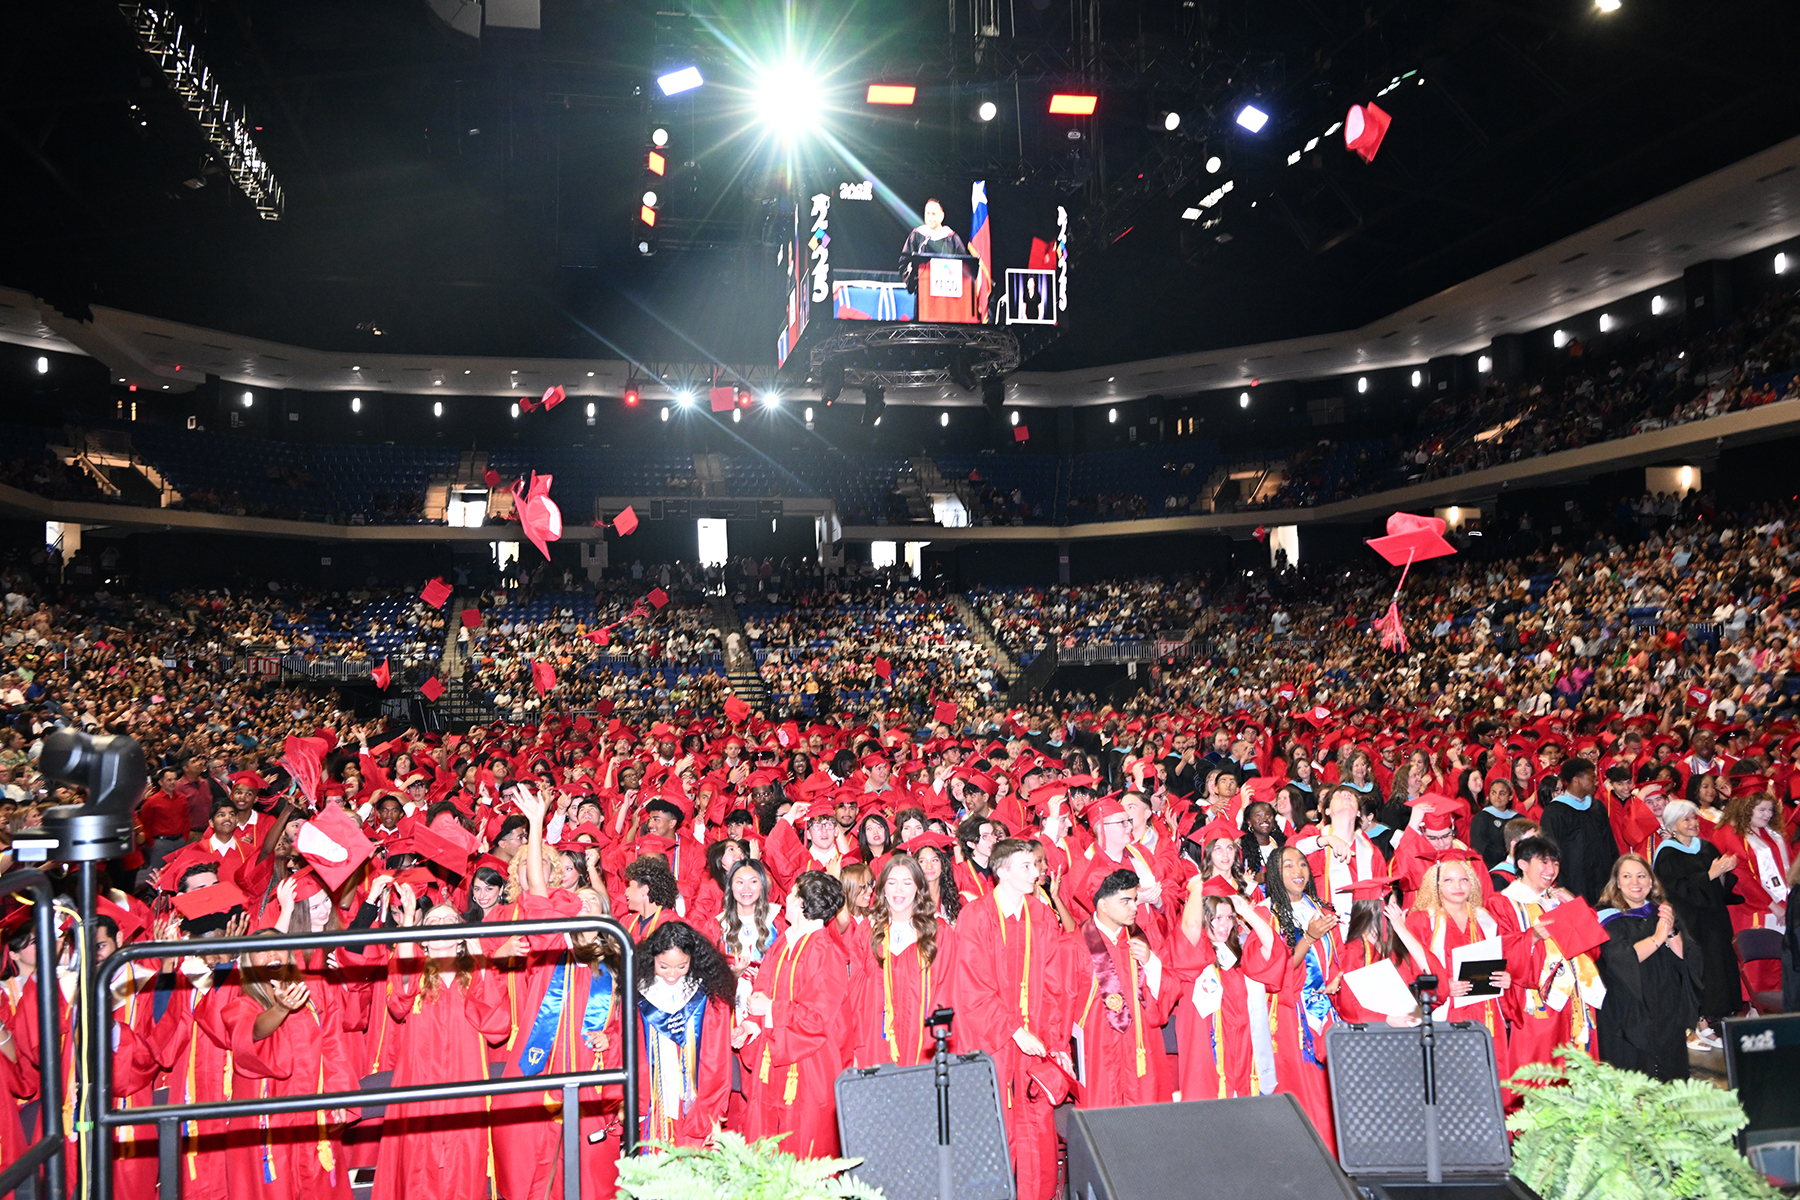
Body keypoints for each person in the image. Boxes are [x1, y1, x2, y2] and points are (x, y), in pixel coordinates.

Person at [949, 838, 1069, 1200]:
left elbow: (1055, 983)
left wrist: (1056, 1041)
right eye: (1027, 866)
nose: (1037, 872)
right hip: (992, 1040)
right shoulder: (977, 915)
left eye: (1036, 865)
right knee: (992, 1127)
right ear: (1001, 871)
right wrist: (1014, 1029)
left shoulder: (1042, 913)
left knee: (1035, 1130)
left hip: (1034, 1040)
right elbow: (972, 985)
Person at [372, 889, 511, 1200]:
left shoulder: (476, 972)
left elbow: (497, 1028)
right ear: (423, 938)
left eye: (452, 919)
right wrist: (409, 920)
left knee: (464, 1161)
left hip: (466, 1083)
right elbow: (398, 1004)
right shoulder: (415, 973)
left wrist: (480, 958)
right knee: (418, 1162)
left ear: (461, 935)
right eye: (434, 921)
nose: (444, 923)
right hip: (419, 1081)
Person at [733, 870, 852, 1159]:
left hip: (809, 1066)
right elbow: (761, 996)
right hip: (771, 1061)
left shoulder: (827, 951)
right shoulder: (783, 944)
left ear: (800, 903)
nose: (786, 896)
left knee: (805, 1148)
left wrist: (771, 1009)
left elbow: (817, 1018)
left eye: (793, 892)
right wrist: (750, 1028)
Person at [1246, 846, 1341, 1153]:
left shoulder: (1321, 910)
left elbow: (1337, 958)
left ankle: (1337, 1155)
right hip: (1289, 1016)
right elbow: (1272, 972)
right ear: (1275, 873)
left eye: (1302, 864)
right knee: (1301, 1085)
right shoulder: (1265, 913)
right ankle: (1308, 1154)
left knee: (1330, 1088)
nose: (1298, 870)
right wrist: (1309, 938)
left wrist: (1337, 978)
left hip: (1327, 1014)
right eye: (1288, 866)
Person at [1067, 869, 1177, 1108]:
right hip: (1100, 1054)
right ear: (1103, 906)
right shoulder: (1073, 946)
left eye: (1134, 900)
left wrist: (1151, 963)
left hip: (1141, 1051)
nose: (1134, 907)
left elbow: (1168, 991)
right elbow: (1058, 1006)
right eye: (1125, 901)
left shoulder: (1140, 940)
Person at [1169, 877, 1278, 1100]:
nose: (1224, 925)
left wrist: (1246, 911)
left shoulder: (1243, 953)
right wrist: (1196, 887)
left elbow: (1274, 949)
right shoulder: (1195, 954)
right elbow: (1189, 925)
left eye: (1229, 918)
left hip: (1243, 1051)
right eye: (1216, 918)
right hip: (1207, 1053)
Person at [1595, 853, 1701, 1080]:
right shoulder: (1606, 918)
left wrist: (1671, 930)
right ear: (1617, 883)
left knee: (1671, 1072)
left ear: (1651, 882)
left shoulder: (1662, 911)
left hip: (1666, 1004)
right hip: (1628, 1008)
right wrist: (1658, 936)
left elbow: (1685, 957)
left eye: (1642, 876)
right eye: (1627, 876)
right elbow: (1622, 960)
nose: (1635, 882)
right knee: (1634, 1077)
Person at [632, 920, 736, 1147]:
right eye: (663, 966)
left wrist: (712, 1110)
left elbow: (716, 1061)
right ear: (652, 960)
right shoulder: (638, 994)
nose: (672, 974)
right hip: (654, 1098)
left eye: (681, 966)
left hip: (695, 1100)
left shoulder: (709, 997)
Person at [849, 854, 957, 1067]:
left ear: (918, 887)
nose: (899, 890)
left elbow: (946, 991)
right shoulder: (867, 932)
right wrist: (855, 1048)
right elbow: (856, 996)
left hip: (923, 1043)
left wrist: (935, 1043)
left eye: (907, 883)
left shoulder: (939, 933)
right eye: (892, 882)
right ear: (882, 889)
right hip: (875, 1044)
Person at [1652, 800, 1743, 1047]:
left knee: (1719, 967)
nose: (1693, 824)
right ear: (1672, 825)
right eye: (1687, 820)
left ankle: (1718, 1017)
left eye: (1694, 818)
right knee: (1698, 969)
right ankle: (1700, 1024)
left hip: (1714, 918)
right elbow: (1676, 891)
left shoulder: (1706, 847)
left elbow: (1720, 888)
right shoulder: (1667, 853)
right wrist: (1711, 875)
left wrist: (1724, 873)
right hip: (1689, 921)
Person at [1539, 758, 1618, 906]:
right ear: (1576, 780)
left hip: (1602, 880)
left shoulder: (1596, 807)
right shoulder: (1554, 811)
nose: (1596, 782)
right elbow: (1550, 850)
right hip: (1573, 882)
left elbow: (1609, 843)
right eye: (1591, 778)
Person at [899, 198, 969, 292]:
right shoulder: (917, 235)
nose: (930, 217)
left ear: (942, 216)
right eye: (927, 213)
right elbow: (904, 262)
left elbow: (963, 265)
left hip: (946, 292)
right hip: (923, 291)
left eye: (934, 214)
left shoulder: (951, 237)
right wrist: (912, 275)